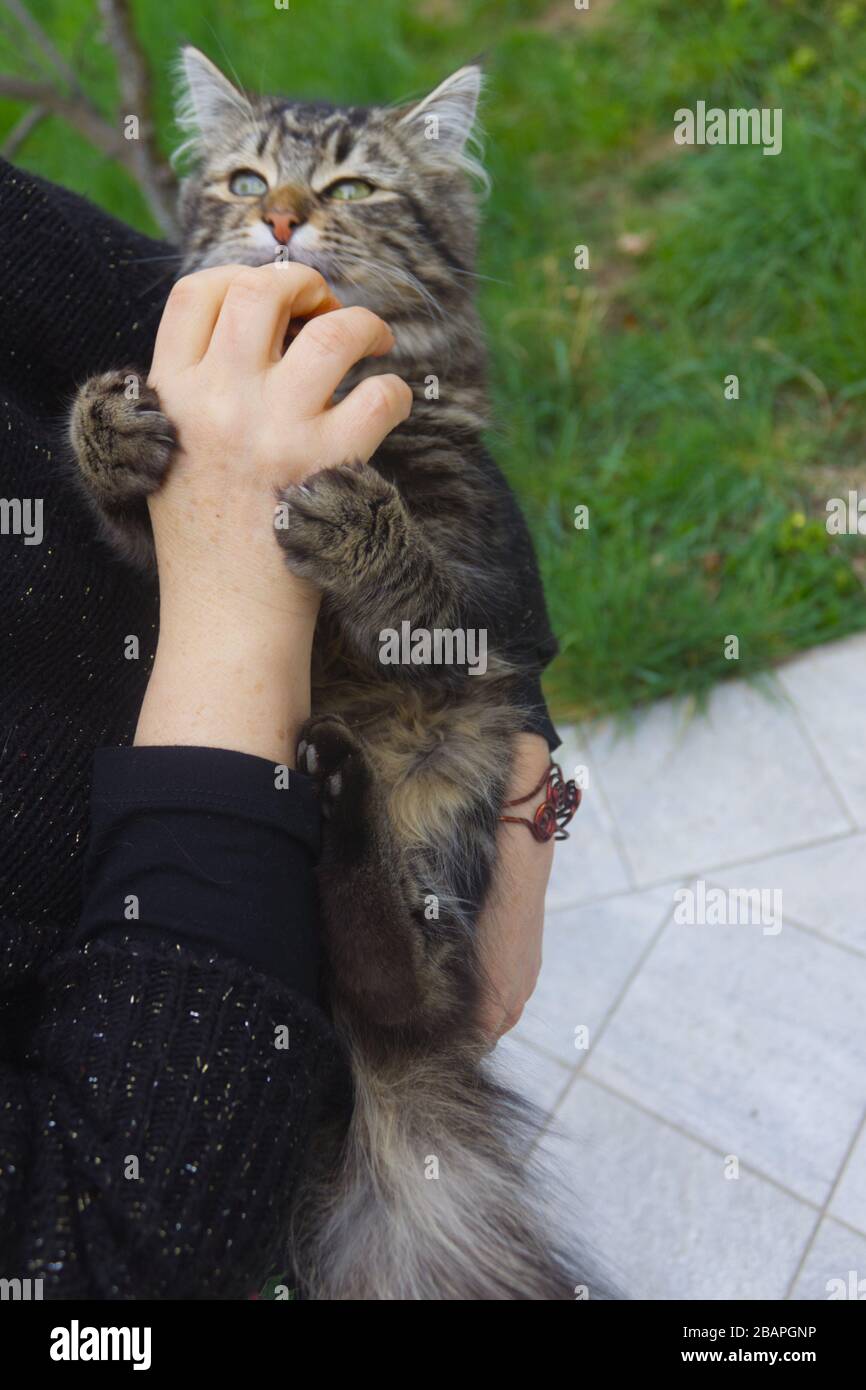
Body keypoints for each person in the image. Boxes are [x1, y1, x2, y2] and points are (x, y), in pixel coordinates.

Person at [0, 158, 560, 1298]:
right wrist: (232, 579)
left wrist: (524, 803)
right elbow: (98, 1269)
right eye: (255, 178)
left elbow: (407, 453)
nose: (288, 211)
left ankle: (385, 964)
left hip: (375, 818)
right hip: (179, 1080)